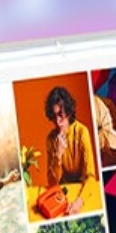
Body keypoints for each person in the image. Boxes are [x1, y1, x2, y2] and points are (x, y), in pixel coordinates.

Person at [43, 85, 96, 213]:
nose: (57, 121)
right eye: (54, 116)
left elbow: (91, 177)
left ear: (68, 112)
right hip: (62, 195)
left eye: (60, 115)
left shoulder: (82, 132)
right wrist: (57, 157)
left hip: (83, 192)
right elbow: (52, 183)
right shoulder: (51, 139)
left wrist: (79, 201)